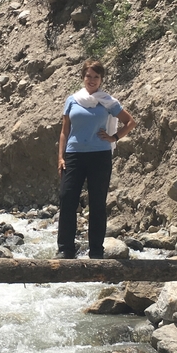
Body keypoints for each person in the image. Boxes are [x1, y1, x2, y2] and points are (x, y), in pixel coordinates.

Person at [57, 59, 136, 259]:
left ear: (101, 79)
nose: (91, 80)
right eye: (88, 76)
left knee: (98, 203)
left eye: (96, 77)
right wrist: (60, 157)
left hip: (99, 156)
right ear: (83, 77)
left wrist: (114, 137)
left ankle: (96, 252)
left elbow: (130, 122)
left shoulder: (107, 101)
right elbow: (65, 131)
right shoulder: (72, 100)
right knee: (67, 199)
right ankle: (65, 249)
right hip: (74, 155)